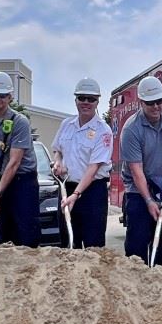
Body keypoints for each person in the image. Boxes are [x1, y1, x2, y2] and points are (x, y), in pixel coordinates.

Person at [120, 75, 162, 267]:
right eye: (151, 103)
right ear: (141, 102)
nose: (157, 107)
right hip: (138, 192)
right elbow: (136, 170)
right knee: (137, 244)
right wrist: (149, 200)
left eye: (160, 101)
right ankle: (136, 282)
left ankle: (160, 278)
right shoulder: (131, 129)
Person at [0, 71, 40, 247]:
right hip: (0, 178)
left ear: (10, 97)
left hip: (22, 181)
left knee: (25, 234)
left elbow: (14, 163)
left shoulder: (20, 121)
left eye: (3, 95)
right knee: (2, 231)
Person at [51, 77, 113, 248]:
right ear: (75, 99)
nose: (86, 102)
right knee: (68, 242)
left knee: (93, 246)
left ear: (97, 101)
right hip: (67, 188)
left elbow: (93, 168)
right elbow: (57, 150)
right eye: (82, 98)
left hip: (92, 193)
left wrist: (76, 195)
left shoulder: (103, 130)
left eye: (91, 99)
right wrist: (58, 162)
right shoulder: (66, 124)